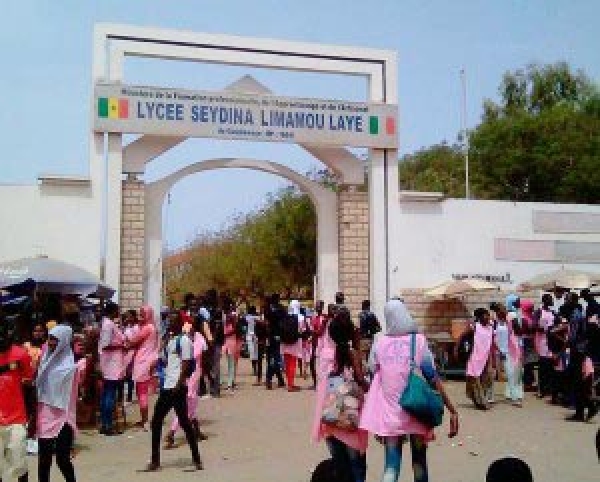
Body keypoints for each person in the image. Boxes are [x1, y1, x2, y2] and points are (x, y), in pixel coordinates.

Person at [359, 299, 459, 482]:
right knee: (419, 462)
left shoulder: (379, 343)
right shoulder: (419, 341)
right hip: (417, 410)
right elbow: (432, 377)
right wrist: (452, 409)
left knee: (391, 465)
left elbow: (374, 378)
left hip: (391, 417)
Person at [312, 308, 368, 482]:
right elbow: (362, 382)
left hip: (330, 418)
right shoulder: (352, 354)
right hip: (349, 421)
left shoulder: (328, 356)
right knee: (357, 467)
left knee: (340, 467)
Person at [145, 313, 202, 471]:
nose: (170, 323)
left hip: (176, 387)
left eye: (173, 321)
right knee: (159, 422)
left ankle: (196, 460)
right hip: (168, 386)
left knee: (181, 422)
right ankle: (156, 460)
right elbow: (165, 361)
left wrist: (179, 382)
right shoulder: (171, 340)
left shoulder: (184, 340)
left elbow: (186, 363)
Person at [35, 325, 83, 482]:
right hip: (45, 415)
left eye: (55, 339)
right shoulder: (44, 361)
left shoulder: (73, 367)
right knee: (44, 460)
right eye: (49, 338)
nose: (51, 342)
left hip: (64, 417)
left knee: (62, 460)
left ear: (64, 340)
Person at [164, 314, 207, 447]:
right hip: (185, 375)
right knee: (189, 404)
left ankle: (180, 432)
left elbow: (200, 355)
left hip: (194, 374)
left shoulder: (198, 338)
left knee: (189, 403)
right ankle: (179, 432)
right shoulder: (182, 338)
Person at [0, 315, 33, 482]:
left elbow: (29, 385)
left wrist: (32, 417)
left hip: (16, 419)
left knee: (20, 462)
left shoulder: (21, 355)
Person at [126, 305, 158, 431]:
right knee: (141, 391)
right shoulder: (151, 327)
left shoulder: (147, 328)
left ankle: (145, 421)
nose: (140, 316)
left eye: (142, 314)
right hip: (147, 360)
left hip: (143, 361)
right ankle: (144, 419)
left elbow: (133, 341)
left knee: (141, 392)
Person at [98, 302, 125, 435]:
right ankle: (107, 425)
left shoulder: (107, 323)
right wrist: (121, 346)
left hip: (110, 363)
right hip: (111, 364)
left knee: (106, 394)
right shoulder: (108, 324)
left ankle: (105, 423)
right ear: (113, 311)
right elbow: (105, 345)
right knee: (110, 395)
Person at [464, 308, 495, 410]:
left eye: (488, 315)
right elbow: (463, 336)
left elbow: (491, 342)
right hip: (474, 358)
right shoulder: (475, 327)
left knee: (487, 379)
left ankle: (479, 400)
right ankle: (482, 402)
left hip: (486, 358)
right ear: (480, 317)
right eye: (486, 315)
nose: (488, 317)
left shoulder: (490, 326)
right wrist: (457, 348)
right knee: (475, 381)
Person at [533, 294, 556, 398]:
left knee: (551, 366)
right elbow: (534, 326)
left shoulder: (553, 312)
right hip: (542, 341)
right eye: (550, 299)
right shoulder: (539, 312)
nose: (552, 301)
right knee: (543, 366)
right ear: (545, 301)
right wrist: (546, 329)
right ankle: (541, 389)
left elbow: (557, 324)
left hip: (551, 341)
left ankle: (549, 388)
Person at [281, 299, 305, 392]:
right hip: (295, 342)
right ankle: (291, 385)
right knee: (293, 364)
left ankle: (289, 383)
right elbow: (302, 330)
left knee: (287, 364)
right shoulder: (301, 317)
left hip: (285, 343)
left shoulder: (284, 316)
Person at [505, 295, 524, 406]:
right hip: (514, 343)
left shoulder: (513, 313)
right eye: (517, 301)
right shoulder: (512, 314)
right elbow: (517, 329)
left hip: (514, 343)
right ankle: (515, 397)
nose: (519, 303)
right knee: (515, 371)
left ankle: (511, 394)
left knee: (514, 370)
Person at [265, 293, 286, 390]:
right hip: (277, 336)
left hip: (270, 336)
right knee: (276, 359)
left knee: (271, 359)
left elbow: (267, 321)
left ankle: (272, 380)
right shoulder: (281, 309)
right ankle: (275, 379)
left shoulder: (267, 309)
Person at [520, 299, 538, 391]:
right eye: (530, 306)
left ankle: (529, 382)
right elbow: (525, 329)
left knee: (530, 363)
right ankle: (527, 384)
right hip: (526, 340)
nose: (532, 308)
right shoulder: (523, 318)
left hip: (531, 340)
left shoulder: (531, 316)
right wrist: (534, 328)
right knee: (528, 363)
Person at [245, 306, 260, 379]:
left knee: (253, 353)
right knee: (254, 353)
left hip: (253, 336)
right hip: (252, 336)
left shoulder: (249, 317)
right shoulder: (252, 317)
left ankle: (255, 369)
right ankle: (255, 369)